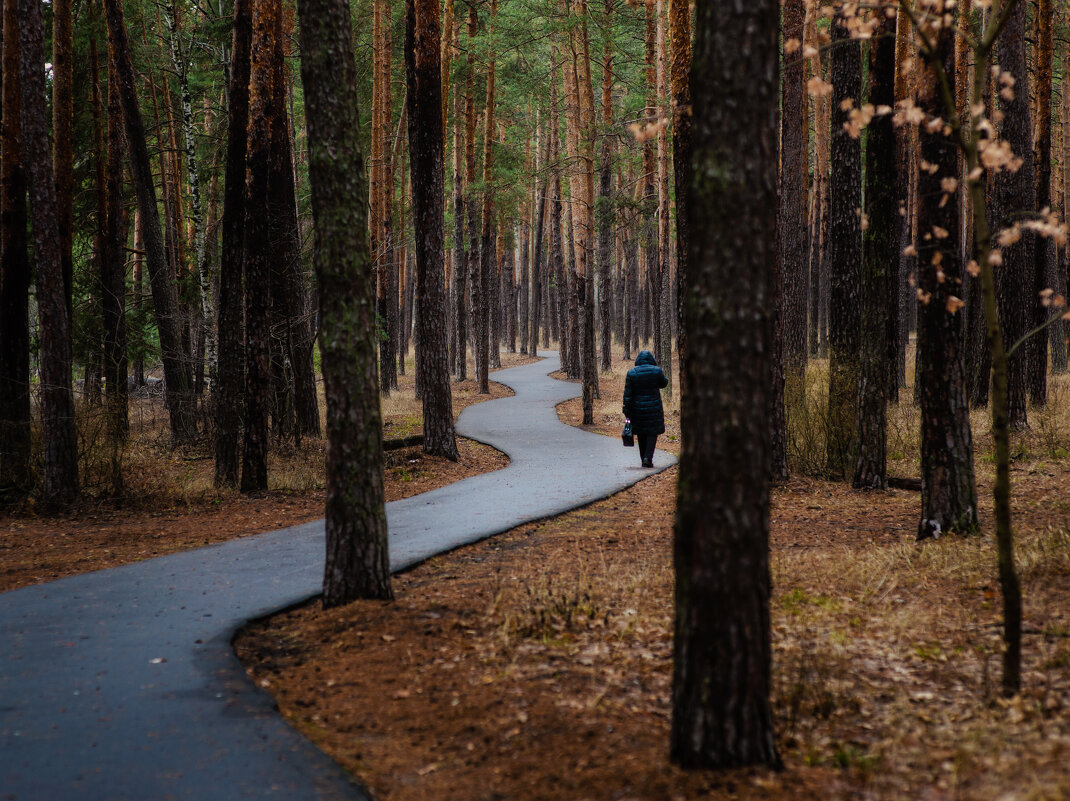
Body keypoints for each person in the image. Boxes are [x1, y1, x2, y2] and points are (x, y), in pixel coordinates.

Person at [622, 350, 668, 469]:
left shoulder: (631, 373)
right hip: (654, 408)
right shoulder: (657, 371)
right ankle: (648, 458)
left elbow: (627, 393)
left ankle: (643, 458)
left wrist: (626, 408)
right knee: (652, 432)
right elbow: (663, 384)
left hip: (637, 409)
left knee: (641, 433)